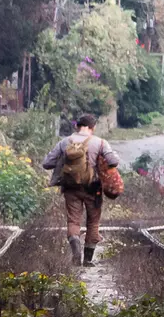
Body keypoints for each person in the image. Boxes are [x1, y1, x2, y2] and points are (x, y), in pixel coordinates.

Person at [42, 114, 120, 267]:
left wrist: (64, 161)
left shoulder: (65, 142)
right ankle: (88, 260)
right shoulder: (100, 143)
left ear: (77, 126)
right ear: (93, 127)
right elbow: (113, 162)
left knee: (73, 220)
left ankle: (75, 247)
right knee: (93, 222)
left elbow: (47, 163)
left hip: (71, 188)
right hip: (93, 188)